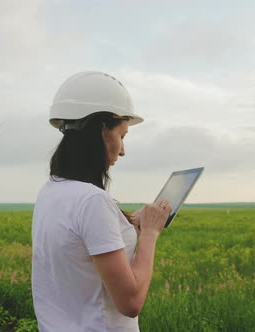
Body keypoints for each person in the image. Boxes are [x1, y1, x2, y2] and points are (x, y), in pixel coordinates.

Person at [31, 71, 172, 331]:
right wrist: (151, 233)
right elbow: (130, 302)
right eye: (122, 136)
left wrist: (129, 224)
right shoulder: (92, 202)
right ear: (101, 130)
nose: (123, 149)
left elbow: (79, 251)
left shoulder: (50, 191)